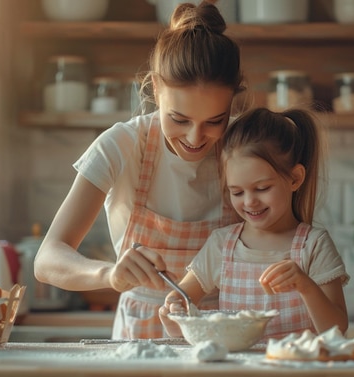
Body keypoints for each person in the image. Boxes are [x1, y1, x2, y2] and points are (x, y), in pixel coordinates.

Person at [33, 1, 245, 339]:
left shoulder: (243, 144)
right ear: (156, 90)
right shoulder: (121, 145)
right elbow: (47, 260)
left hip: (224, 330)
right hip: (140, 335)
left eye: (214, 121)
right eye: (179, 119)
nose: (195, 138)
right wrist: (110, 275)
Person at [160, 107, 350, 339]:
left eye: (262, 189)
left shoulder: (313, 245)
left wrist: (305, 286)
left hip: (296, 372)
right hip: (237, 374)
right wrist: (174, 306)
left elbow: (337, 329)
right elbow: (182, 297)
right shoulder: (222, 245)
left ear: (295, 178)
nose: (250, 202)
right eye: (237, 192)